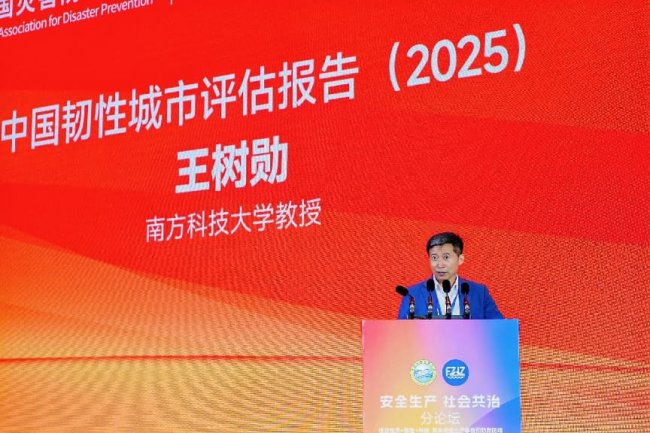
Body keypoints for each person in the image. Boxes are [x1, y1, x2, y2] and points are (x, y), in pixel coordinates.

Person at [397, 232, 503, 319]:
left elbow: (500, 328)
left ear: (460, 259)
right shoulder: (412, 294)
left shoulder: (479, 292)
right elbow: (400, 332)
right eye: (434, 258)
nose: (440, 264)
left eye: (446, 257)